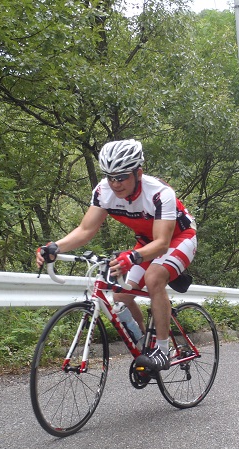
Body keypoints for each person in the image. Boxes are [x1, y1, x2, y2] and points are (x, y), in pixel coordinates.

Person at [36, 139, 197, 371]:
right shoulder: (103, 192)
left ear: (138, 173)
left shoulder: (160, 193)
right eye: (110, 177)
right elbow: (85, 230)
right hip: (146, 242)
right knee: (121, 297)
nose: (115, 184)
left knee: (154, 278)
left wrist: (131, 257)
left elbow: (162, 243)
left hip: (179, 239)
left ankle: (162, 350)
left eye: (121, 177)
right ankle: (145, 345)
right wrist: (55, 247)